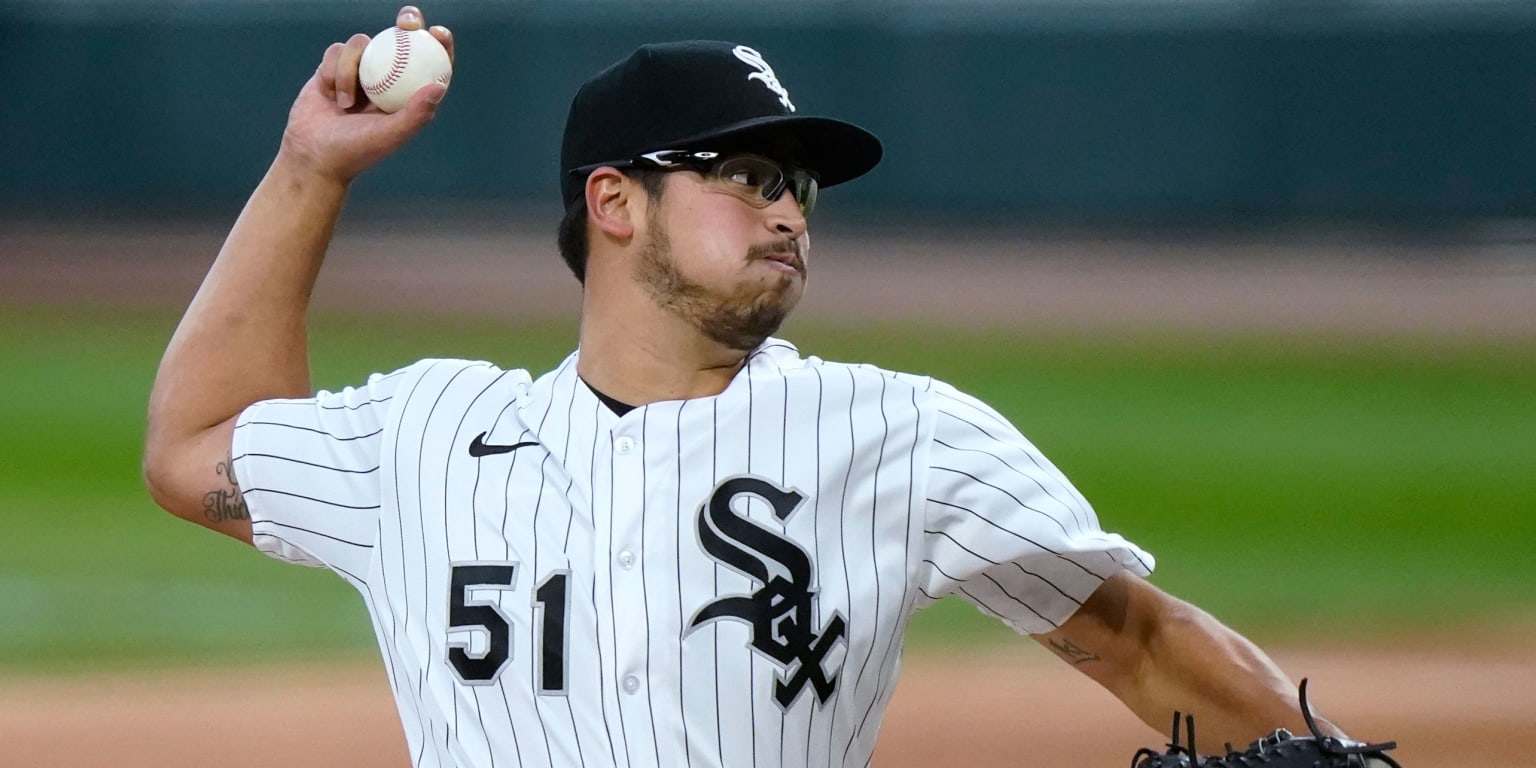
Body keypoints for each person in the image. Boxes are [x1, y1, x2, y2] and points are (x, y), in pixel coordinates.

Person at [143, 7, 1366, 767]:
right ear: (614, 201)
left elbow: (1131, 635)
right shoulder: (425, 434)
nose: (787, 207)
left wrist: (1335, 758)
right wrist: (309, 168)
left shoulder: (901, 434)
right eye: (744, 173)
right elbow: (197, 442)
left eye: (800, 184)